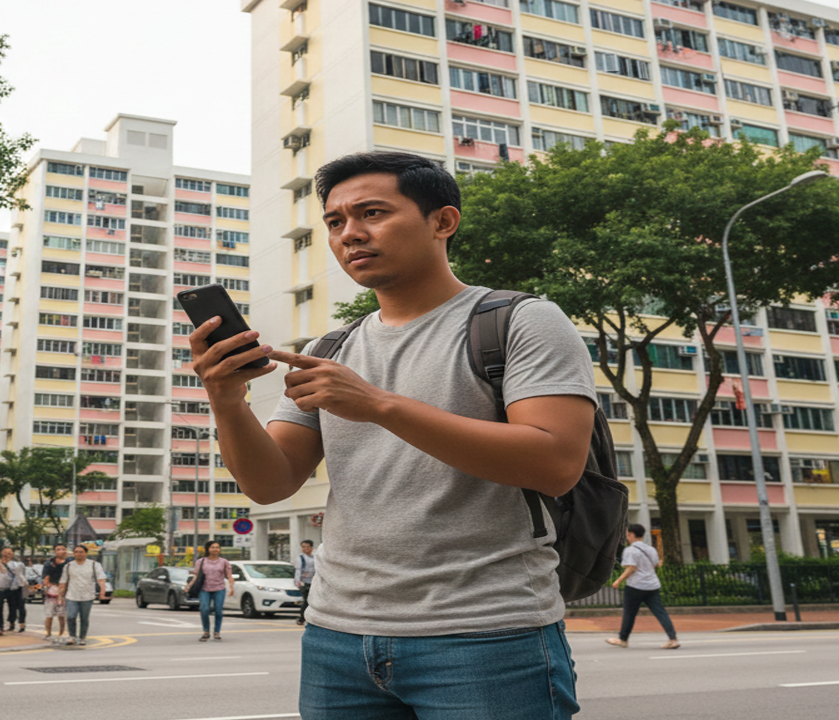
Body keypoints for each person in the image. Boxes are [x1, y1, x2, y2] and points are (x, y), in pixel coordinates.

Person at [190, 151, 595, 718]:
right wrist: (226, 399)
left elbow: (555, 463)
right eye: (335, 222)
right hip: (337, 637)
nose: (350, 234)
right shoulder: (330, 349)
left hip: (487, 633)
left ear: (442, 221)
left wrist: (378, 405)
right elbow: (270, 483)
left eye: (373, 213)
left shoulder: (520, 321)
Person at [607, 524, 680, 650]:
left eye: (627, 534)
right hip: (652, 585)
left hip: (635, 586)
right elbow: (656, 564)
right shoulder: (651, 549)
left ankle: (623, 639)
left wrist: (618, 581)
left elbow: (631, 567)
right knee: (660, 612)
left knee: (629, 613)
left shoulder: (630, 550)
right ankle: (673, 639)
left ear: (631, 534)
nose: (627, 537)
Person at [57, 544, 107, 646]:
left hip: (87, 595)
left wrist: (102, 591)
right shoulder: (69, 566)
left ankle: (82, 637)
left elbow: (101, 579)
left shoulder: (94, 565)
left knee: (84, 618)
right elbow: (63, 582)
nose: (78, 554)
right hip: (72, 595)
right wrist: (60, 596)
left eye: (81, 552)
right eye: (76, 552)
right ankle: (72, 636)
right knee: (71, 616)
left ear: (85, 553)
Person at [193, 541, 235, 642]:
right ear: (207, 549)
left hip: (219, 589)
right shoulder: (200, 561)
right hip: (204, 589)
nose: (215, 549)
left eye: (217, 547)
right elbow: (196, 576)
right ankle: (206, 631)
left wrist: (232, 587)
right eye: (212, 547)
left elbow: (229, 575)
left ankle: (217, 632)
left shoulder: (224, 562)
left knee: (218, 610)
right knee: (204, 609)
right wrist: (189, 586)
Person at [40, 545, 71, 642]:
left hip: (65, 592)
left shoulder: (70, 563)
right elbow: (45, 578)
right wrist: (49, 586)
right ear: (55, 551)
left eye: (63, 549)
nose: (61, 551)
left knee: (62, 615)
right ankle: (48, 633)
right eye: (58, 549)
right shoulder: (49, 563)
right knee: (49, 614)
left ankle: (61, 633)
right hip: (52, 592)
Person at [294, 540, 315, 627]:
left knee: (312, 601)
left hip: (314, 582)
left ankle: (307, 618)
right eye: (303, 547)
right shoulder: (301, 557)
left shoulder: (314, 557)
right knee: (306, 600)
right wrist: (297, 581)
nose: (305, 548)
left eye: (307, 546)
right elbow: (298, 570)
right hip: (304, 582)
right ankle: (302, 618)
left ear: (311, 548)